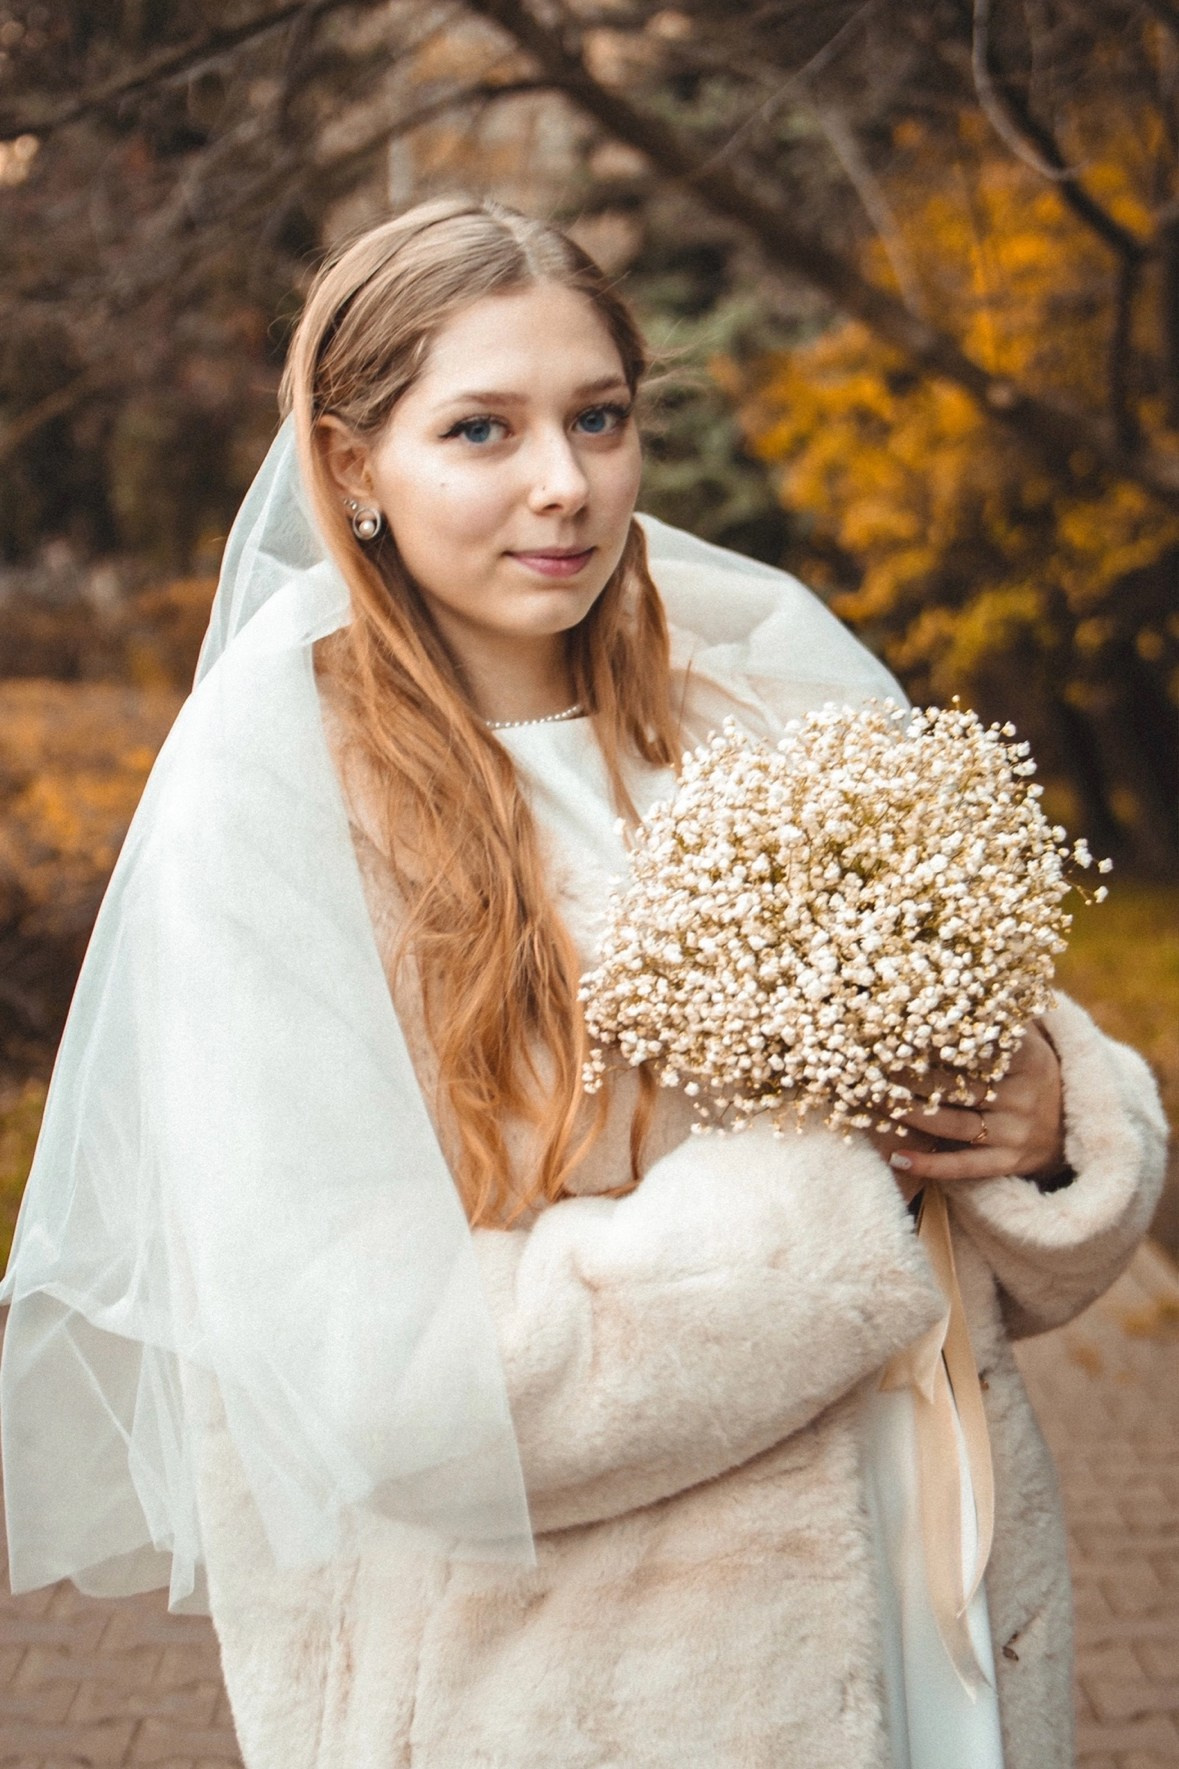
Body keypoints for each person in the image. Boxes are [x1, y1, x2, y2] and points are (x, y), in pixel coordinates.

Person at [0, 198, 1166, 1769]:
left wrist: (1045, 1123)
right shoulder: (282, 805)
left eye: (598, 418)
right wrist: (836, 1208)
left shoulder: (752, 700)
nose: (565, 483)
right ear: (355, 466)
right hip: (602, 1686)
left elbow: (978, 1139)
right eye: (481, 427)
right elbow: (386, 1376)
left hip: (926, 1590)